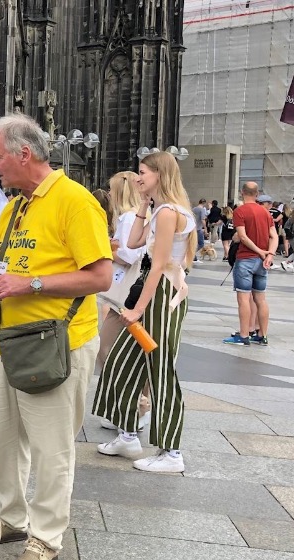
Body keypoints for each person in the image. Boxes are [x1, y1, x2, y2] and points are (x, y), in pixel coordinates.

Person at [0, 114, 112, 560]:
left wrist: (29, 282)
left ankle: (46, 538)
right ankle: (11, 518)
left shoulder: (75, 201)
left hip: (56, 343)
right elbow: (4, 280)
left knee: (52, 450)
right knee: (6, 442)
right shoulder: (14, 207)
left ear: (23, 154)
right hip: (4, 341)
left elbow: (100, 276)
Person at [94, 151, 197, 475]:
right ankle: (127, 433)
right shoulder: (161, 209)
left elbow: (157, 266)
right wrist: (142, 203)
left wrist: (138, 308)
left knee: (160, 369)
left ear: (159, 175)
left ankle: (171, 450)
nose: (138, 177)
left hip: (161, 293)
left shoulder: (169, 212)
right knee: (121, 361)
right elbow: (135, 240)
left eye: (143, 172)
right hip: (156, 290)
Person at [95, 172, 151, 429]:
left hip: (126, 292)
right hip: (134, 290)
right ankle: (131, 408)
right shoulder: (138, 215)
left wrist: (105, 247)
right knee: (127, 350)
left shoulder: (129, 217)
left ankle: (136, 408)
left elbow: (129, 255)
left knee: (108, 349)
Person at [222, 184, 276, 346]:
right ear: (257, 194)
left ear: (242, 193)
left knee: (243, 298)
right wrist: (269, 254)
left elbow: (243, 237)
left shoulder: (240, 211)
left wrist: (259, 251)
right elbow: (274, 236)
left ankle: (244, 335)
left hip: (246, 259)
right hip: (262, 262)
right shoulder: (266, 213)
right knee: (261, 298)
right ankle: (262, 335)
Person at [192, 198, 207, 263]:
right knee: (201, 244)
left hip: (193, 228)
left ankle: (193, 257)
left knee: (194, 243)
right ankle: (192, 254)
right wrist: (205, 228)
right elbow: (202, 219)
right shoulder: (202, 210)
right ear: (204, 203)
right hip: (198, 228)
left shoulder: (193, 209)